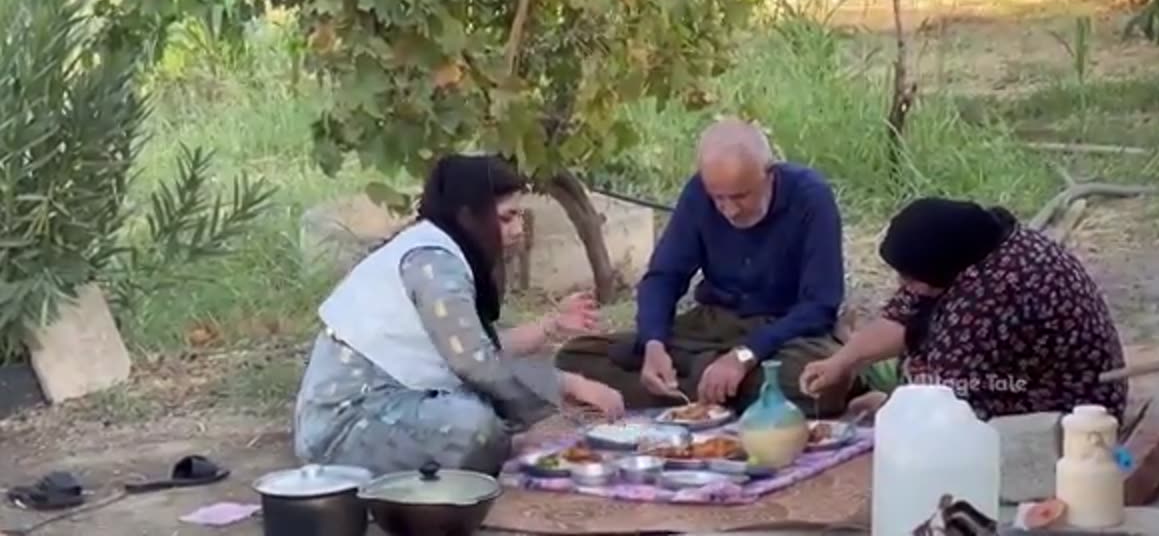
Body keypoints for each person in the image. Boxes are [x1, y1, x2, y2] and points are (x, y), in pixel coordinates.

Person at [293, 154, 624, 476]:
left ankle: (502, 445)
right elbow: (476, 363)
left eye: (519, 217)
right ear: (469, 217)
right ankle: (505, 447)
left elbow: (476, 349)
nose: (519, 229)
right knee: (474, 425)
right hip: (344, 428)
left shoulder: (442, 252)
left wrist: (562, 368)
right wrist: (552, 405)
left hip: (396, 402)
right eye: (506, 218)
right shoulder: (434, 263)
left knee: (486, 406)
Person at [556, 119, 855, 417]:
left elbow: (820, 305)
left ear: (769, 175)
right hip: (710, 327)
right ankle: (720, 389)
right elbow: (664, 277)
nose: (729, 209)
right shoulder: (698, 193)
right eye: (718, 199)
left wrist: (744, 355)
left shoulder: (810, 197)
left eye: (740, 196)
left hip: (786, 333)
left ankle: (691, 388)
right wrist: (653, 343)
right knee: (574, 358)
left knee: (817, 384)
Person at [801, 197, 1128, 420]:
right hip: (1018, 383)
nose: (904, 285)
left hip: (1069, 414)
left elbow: (946, 397)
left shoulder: (992, 297)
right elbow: (904, 316)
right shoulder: (971, 248)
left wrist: (892, 407)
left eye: (911, 277)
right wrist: (840, 362)